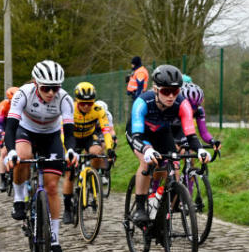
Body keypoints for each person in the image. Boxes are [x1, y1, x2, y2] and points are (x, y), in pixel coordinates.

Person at [4, 60, 78, 252]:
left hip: (51, 136)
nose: (51, 93)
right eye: (46, 88)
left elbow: (69, 133)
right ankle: (19, 198)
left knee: (53, 186)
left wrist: (71, 149)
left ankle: (54, 238)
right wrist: (11, 152)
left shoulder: (64, 99)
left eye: (56, 88)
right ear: (36, 84)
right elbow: (10, 128)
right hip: (26, 131)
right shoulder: (23, 93)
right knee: (23, 157)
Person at [127, 65, 210, 224]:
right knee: (146, 161)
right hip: (139, 133)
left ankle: (158, 204)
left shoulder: (182, 104)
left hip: (162, 132)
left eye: (176, 91)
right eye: (166, 91)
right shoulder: (142, 102)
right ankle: (139, 207)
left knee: (172, 163)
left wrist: (200, 150)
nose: (171, 96)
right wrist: (146, 149)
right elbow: (137, 135)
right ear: (155, 89)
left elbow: (191, 135)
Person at [61, 82, 115, 224]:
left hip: (88, 137)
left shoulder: (98, 110)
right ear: (77, 101)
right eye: (83, 103)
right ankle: (67, 208)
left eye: (89, 103)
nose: (86, 106)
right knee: (69, 173)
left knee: (97, 152)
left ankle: (92, 177)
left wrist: (109, 148)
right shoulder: (69, 109)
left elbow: (106, 131)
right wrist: (69, 152)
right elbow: (63, 133)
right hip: (71, 137)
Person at [0, 87, 20, 192]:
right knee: (3, 152)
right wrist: (2, 133)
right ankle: (2, 180)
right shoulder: (3, 105)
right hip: (5, 126)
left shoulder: (22, 103)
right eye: (12, 101)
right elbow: (0, 122)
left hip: (18, 126)